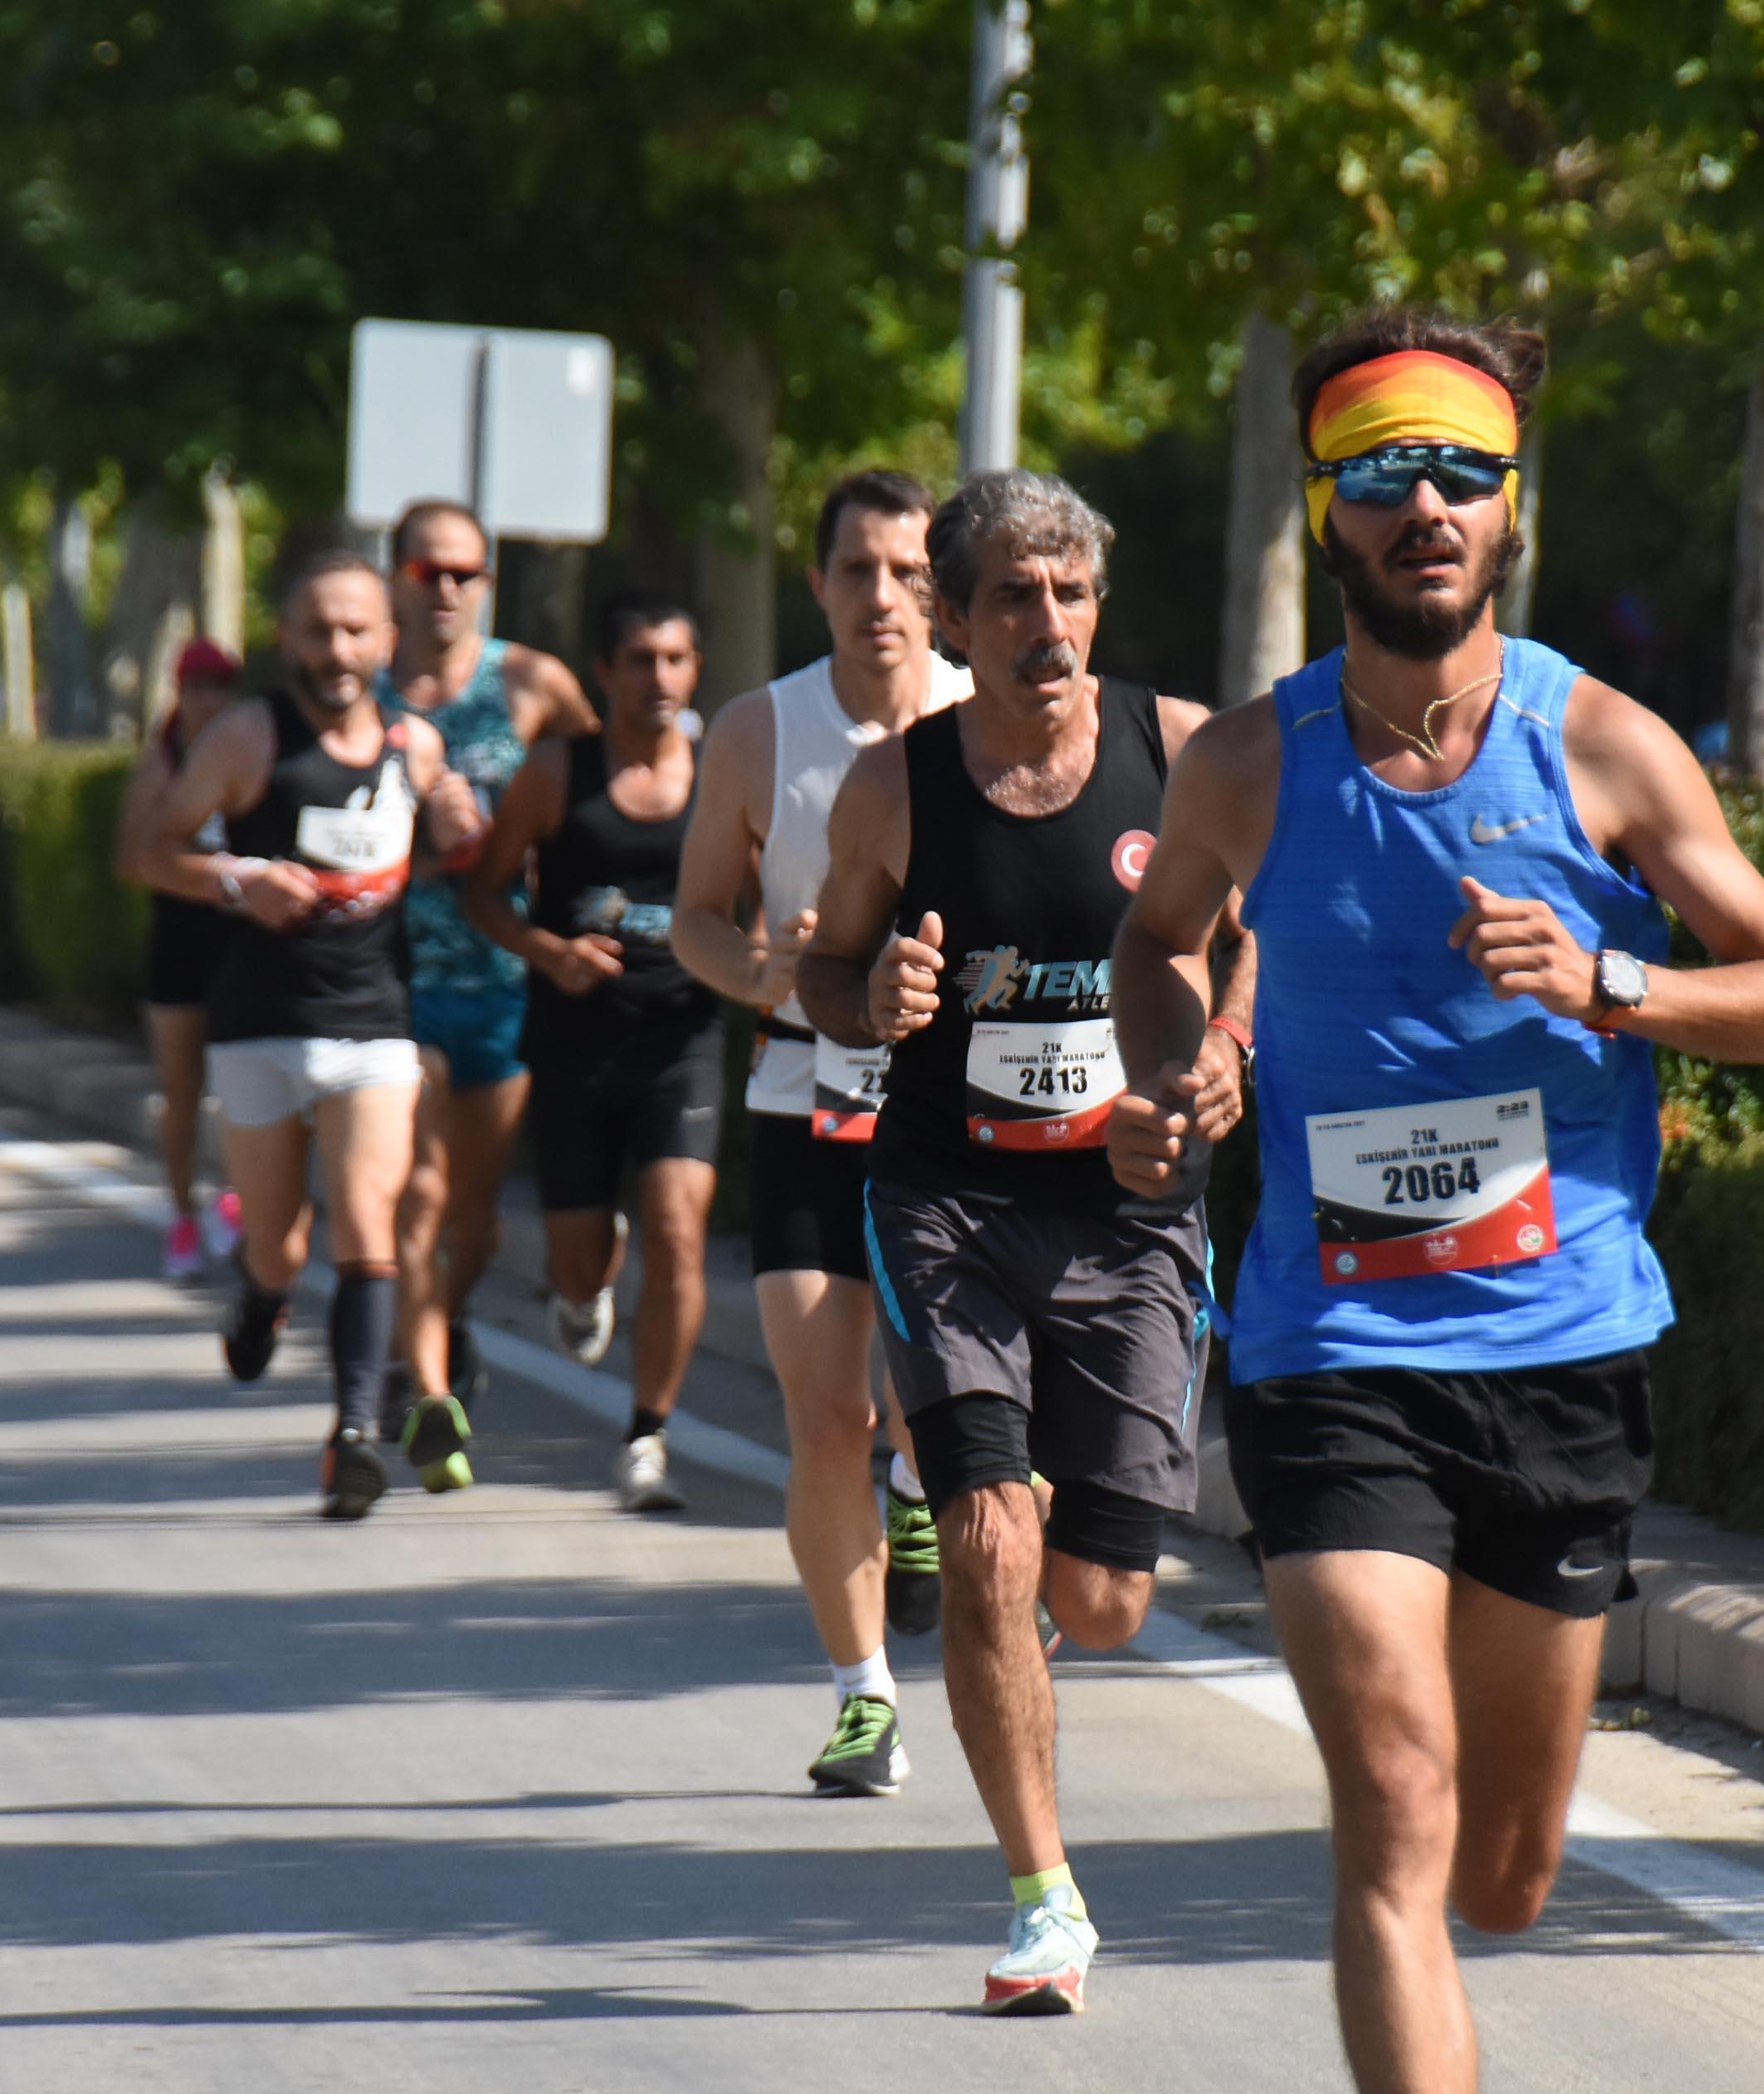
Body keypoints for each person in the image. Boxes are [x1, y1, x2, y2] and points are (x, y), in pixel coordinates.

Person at [1108, 309, 1764, 2094]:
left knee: (1510, 1867)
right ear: (1328, 511)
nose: (1422, 506)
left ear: (1512, 505)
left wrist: (1609, 977)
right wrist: (1188, 1070)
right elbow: (1162, 943)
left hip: (1562, 1356)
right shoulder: (1244, 763)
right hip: (1329, 1356)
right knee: (1397, 1805)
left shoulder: (1608, 751)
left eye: (1461, 470)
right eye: (1378, 472)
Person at [796, 469, 1240, 2016]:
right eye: (1012, 598)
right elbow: (827, 972)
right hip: (948, 1205)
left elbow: (1241, 946)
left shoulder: (1180, 752)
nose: (1046, 625)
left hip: (1128, 1213)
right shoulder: (895, 789)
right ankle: (1043, 1901)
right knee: (991, 1540)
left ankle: (1030, 1519)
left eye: (1069, 594)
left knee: (1106, 1602)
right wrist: (875, 1006)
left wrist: (1217, 1065)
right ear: (957, 618)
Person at [680, 468, 974, 1795]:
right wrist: (757, 972)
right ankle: (864, 1698)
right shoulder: (758, 731)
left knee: (930, 1408)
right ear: (820, 584)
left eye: (911, 573)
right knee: (821, 1415)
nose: (884, 598)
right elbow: (695, 910)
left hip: (955, 1108)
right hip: (804, 1091)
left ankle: (920, 1500)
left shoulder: (990, 719)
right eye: (858, 570)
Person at [137, 551, 481, 1518]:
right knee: (279, 1246)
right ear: (286, 639)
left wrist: (460, 821)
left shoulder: (412, 746)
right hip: (258, 1027)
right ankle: (258, 1296)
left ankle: (354, 1435)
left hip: (372, 1022)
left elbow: (457, 841)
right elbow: (150, 851)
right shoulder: (250, 736)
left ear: (387, 640)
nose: (338, 650)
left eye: (357, 631)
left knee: (369, 1221)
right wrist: (240, 882)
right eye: (318, 631)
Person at [462, 592, 717, 1515]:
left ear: (695, 672)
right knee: (578, 1267)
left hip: (680, 1043)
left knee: (680, 1234)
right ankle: (582, 1286)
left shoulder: (721, 772)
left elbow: (760, 898)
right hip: (573, 1047)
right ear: (604, 673)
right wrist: (548, 953)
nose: (659, 679)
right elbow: (485, 895)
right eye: (641, 659)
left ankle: (647, 1436)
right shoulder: (554, 773)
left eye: (676, 659)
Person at [380, 498, 597, 1418]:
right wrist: (424, 844)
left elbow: (603, 798)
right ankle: (411, 1378)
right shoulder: (362, 690)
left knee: (471, 1222)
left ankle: (443, 1323)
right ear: (397, 575)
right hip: (391, 979)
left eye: (467, 572)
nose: (449, 589)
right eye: (430, 571)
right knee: (417, 1192)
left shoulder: (530, 683)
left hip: (505, 983)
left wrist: (528, 856)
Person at [115, 636, 250, 1280]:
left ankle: (237, 1199)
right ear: (179, 692)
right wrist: (201, 867)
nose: (208, 701)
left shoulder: (251, 754)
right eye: (196, 688)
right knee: (181, 1090)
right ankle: (181, 1213)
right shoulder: (159, 765)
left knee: (246, 1082)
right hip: (179, 939)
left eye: (220, 687)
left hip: (241, 939)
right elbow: (129, 862)